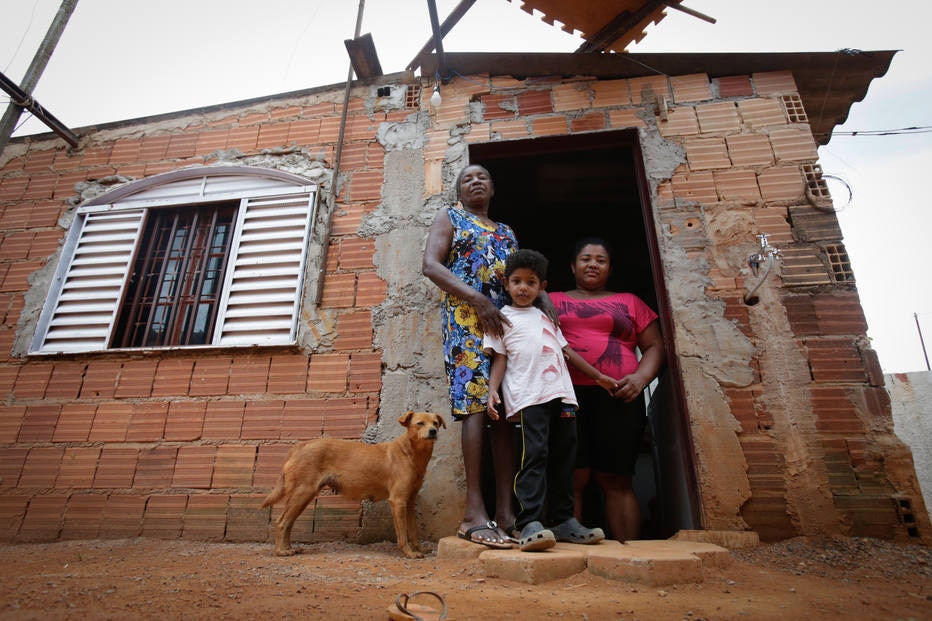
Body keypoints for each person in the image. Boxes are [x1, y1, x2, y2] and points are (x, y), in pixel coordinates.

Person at [484, 249, 614, 551]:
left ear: (542, 287)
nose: (523, 288)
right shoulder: (502, 319)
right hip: (529, 398)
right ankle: (529, 521)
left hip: (563, 396)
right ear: (506, 284)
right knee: (534, 457)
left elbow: (567, 353)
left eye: (531, 282)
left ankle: (564, 520)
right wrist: (493, 390)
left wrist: (599, 377)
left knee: (565, 458)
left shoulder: (546, 317)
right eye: (516, 281)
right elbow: (500, 360)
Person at [421, 163, 518, 549]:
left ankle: (507, 514)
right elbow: (430, 265)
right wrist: (477, 299)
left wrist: (540, 301)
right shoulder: (450, 217)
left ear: (492, 188)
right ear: (459, 190)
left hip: (505, 325)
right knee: (477, 407)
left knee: (507, 411)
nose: (476, 181)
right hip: (466, 320)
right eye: (467, 179)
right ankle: (473, 515)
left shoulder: (507, 231)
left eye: (482, 177)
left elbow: (518, 277)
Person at [549, 237, 666, 542]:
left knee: (616, 477)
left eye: (600, 260)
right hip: (566, 395)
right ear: (572, 266)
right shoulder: (551, 300)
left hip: (620, 396)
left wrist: (640, 380)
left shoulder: (630, 301)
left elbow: (655, 346)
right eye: (586, 258)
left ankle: (630, 552)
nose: (592, 264)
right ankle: (571, 554)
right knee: (573, 476)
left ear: (610, 268)